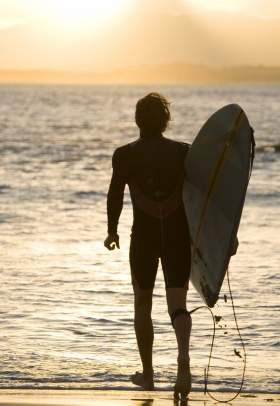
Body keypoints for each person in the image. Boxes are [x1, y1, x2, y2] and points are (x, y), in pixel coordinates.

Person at [104, 92, 192, 399]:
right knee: (177, 304)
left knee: (143, 303)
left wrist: (111, 231)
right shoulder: (185, 152)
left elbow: (115, 193)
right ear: (166, 121)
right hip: (179, 235)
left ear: (138, 120)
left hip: (143, 236)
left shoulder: (124, 154)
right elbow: (204, 196)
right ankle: (183, 358)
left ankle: (148, 374)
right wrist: (223, 236)